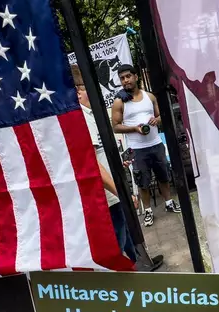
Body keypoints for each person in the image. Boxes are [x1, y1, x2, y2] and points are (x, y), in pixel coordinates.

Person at [71, 65, 163, 271]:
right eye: (88, 87)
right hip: (108, 192)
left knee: (127, 230)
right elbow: (93, 163)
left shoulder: (90, 113)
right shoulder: (83, 119)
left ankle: (139, 263)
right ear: (78, 91)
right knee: (118, 237)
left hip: (113, 185)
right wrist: (120, 192)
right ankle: (122, 277)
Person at [111, 64, 181, 227]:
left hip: (156, 144)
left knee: (164, 175)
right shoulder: (119, 102)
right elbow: (115, 126)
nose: (125, 80)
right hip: (137, 149)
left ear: (136, 76)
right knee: (143, 181)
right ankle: (148, 211)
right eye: (122, 78)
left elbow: (160, 116)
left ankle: (169, 202)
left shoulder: (149, 97)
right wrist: (134, 128)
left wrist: (157, 120)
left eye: (128, 76)